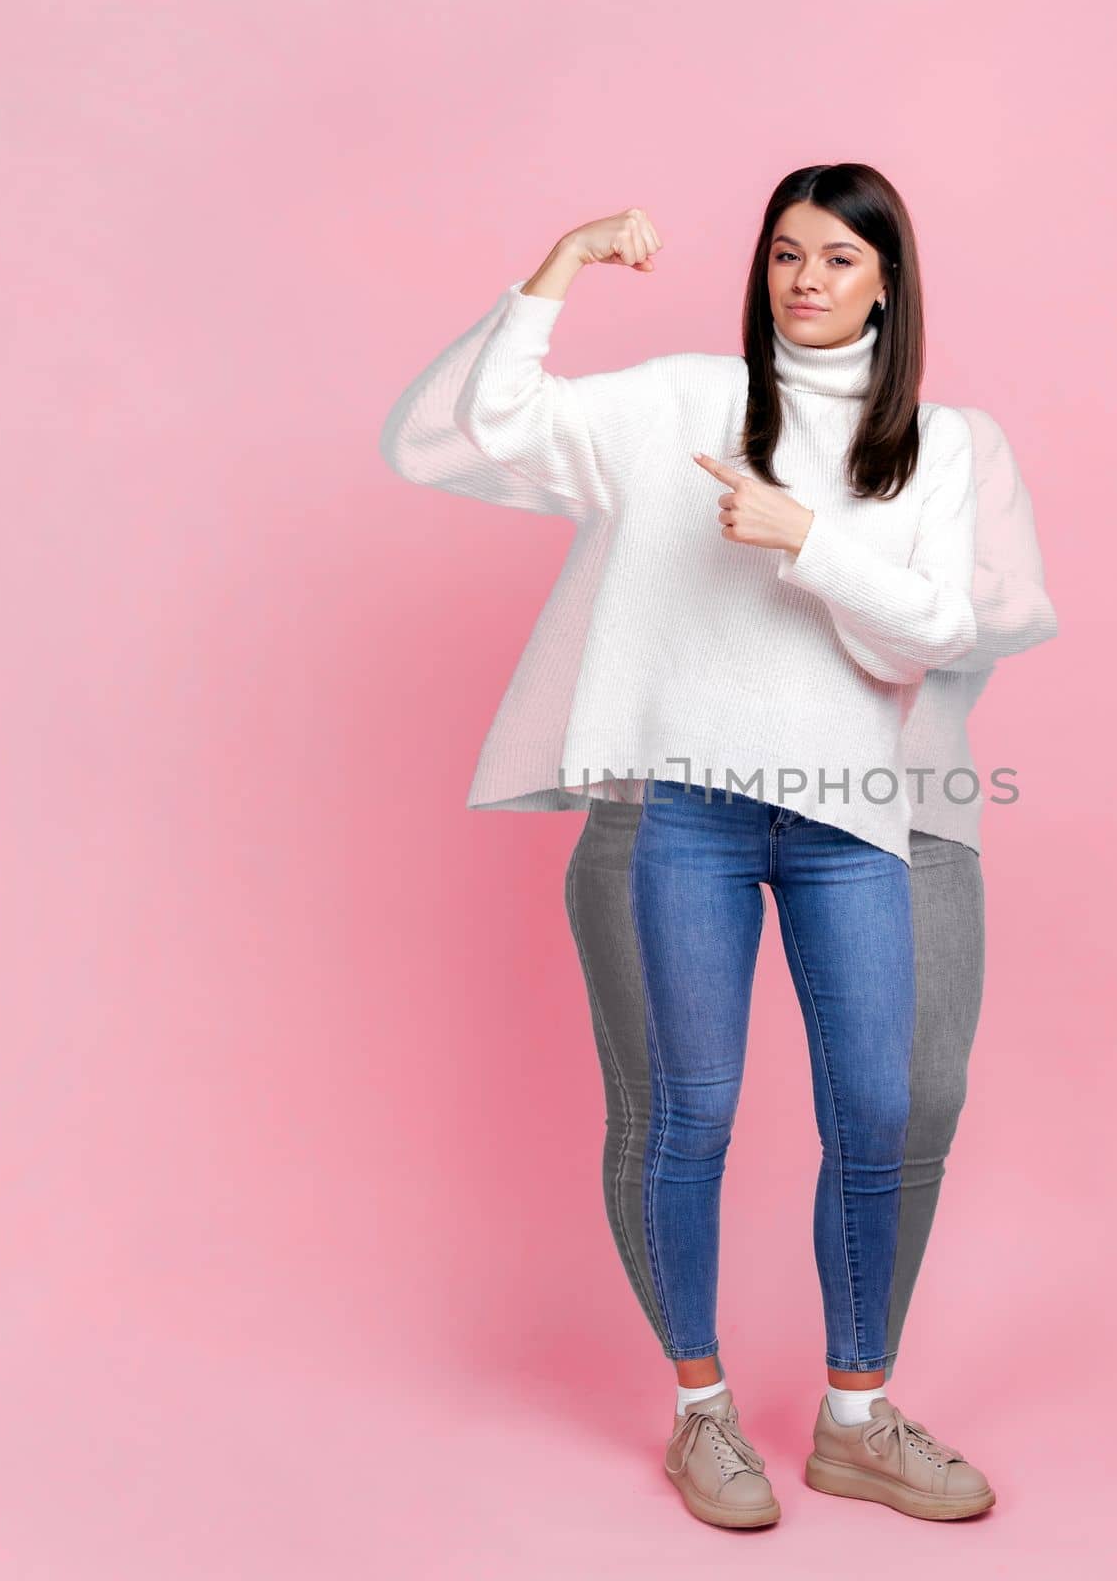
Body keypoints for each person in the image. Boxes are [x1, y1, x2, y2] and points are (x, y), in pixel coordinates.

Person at [380, 163, 1055, 1527]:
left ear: (887, 284)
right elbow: (470, 427)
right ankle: (702, 1414)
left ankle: (856, 1418)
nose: (806, 281)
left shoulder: (941, 444)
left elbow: (927, 629)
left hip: (851, 810)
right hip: (681, 806)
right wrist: (556, 268)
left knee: (877, 1113)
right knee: (690, 1114)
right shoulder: (683, 399)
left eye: (839, 261)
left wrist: (806, 537)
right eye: (787, 255)